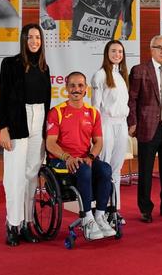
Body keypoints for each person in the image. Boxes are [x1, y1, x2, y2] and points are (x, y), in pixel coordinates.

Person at [0, 23, 51, 246]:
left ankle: (28, 222)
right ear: (23, 39)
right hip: (18, 122)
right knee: (14, 176)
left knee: (31, 175)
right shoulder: (10, 64)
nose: (34, 41)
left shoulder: (44, 67)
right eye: (30, 37)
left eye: (38, 38)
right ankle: (13, 224)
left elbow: (46, 101)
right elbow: (3, 97)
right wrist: (3, 128)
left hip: (39, 120)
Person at [46, 72, 116, 240]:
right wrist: (67, 157)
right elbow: (50, 143)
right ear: (66, 89)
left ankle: (99, 216)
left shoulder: (93, 113)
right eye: (72, 86)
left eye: (80, 86)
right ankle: (87, 219)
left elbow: (98, 142)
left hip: (85, 159)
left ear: (85, 89)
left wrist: (91, 157)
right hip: (61, 161)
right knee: (84, 170)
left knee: (105, 169)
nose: (76, 89)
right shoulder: (57, 112)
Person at [127, 35, 162, 223]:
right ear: (151, 49)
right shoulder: (139, 70)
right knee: (146, 171)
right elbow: (132, 98)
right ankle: (145, 209)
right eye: (159, 47)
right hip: (147, 127)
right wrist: (132, 122)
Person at [91, 40, 129, 223]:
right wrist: (96, 133)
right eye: (114, 51)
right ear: (107, 53)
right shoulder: (99, 75)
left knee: (116, 169)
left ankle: (114, 209)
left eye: (120, 51)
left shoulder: (121, 76)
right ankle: (102, 209)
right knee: (104, 168)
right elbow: (95, 107)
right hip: (105, 124)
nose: (117, 54)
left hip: (121, 125)